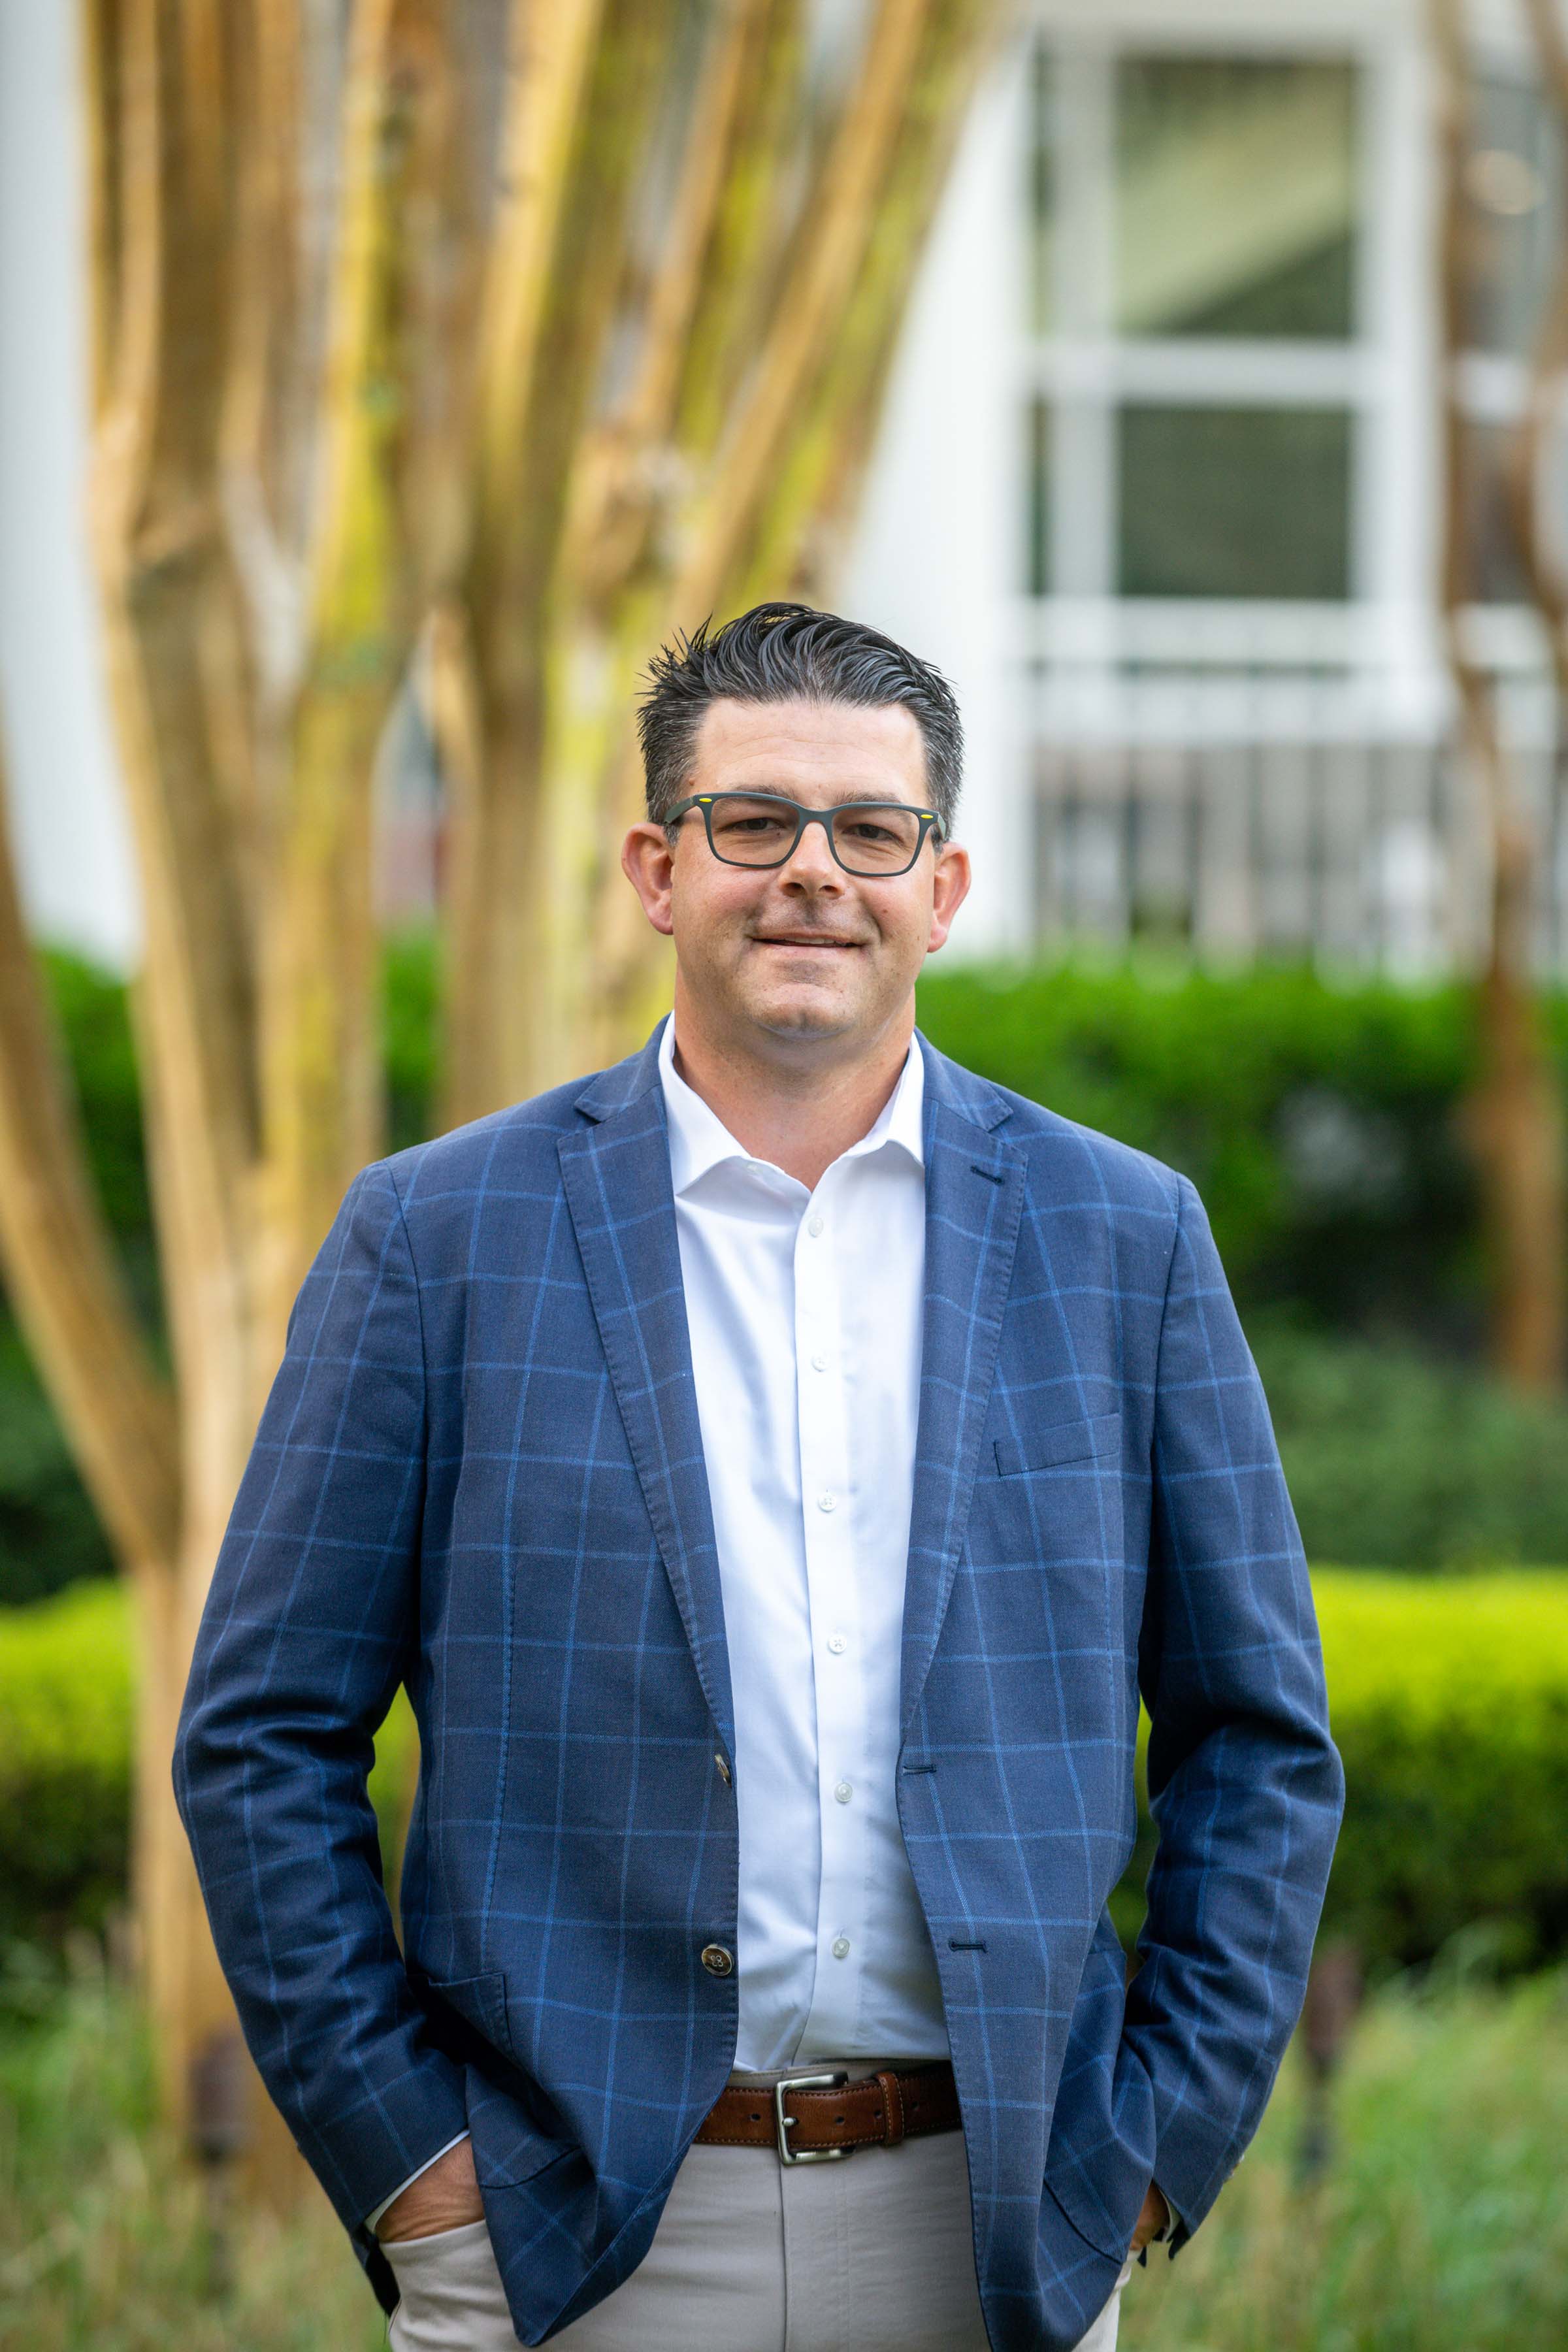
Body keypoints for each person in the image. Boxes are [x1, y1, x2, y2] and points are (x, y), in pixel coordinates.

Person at [175, 603, 1343, 2352]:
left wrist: (1148, 2157)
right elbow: (262, 1734)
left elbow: (1260, 1739)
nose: (814, 872)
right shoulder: (437, 1239)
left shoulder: (1126, 1238)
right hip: (566, 2239)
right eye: (755, 822)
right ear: (659, 869)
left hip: (997, 2235)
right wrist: (415, 2173)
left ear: (942, 888)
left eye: (871, 830)